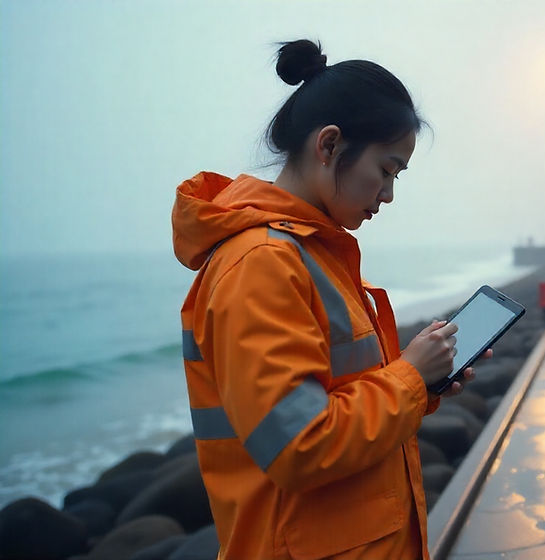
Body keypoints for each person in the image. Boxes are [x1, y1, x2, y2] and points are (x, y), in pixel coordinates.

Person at [172, 40, 487, 559]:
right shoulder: (263, 264)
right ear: (330, 145)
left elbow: (338, 396)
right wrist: (409, 376)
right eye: (386, 170)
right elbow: (302, 445)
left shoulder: (309, 253)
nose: (388, 194)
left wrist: (424, 383)